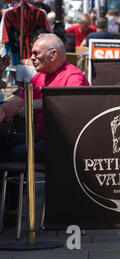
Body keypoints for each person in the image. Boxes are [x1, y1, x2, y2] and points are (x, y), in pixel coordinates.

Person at [0, 34, 90, 227]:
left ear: (52, 54)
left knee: (18, 153)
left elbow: (72, 103)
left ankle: (12, 210)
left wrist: (35, 104)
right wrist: (2, 111)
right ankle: (6, 202)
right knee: (4, 143)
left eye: (35, 53)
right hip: (43, 136)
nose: (31, 57)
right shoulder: (40, 75)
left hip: (65, 143)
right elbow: (16, 105)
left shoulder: (73, 76)